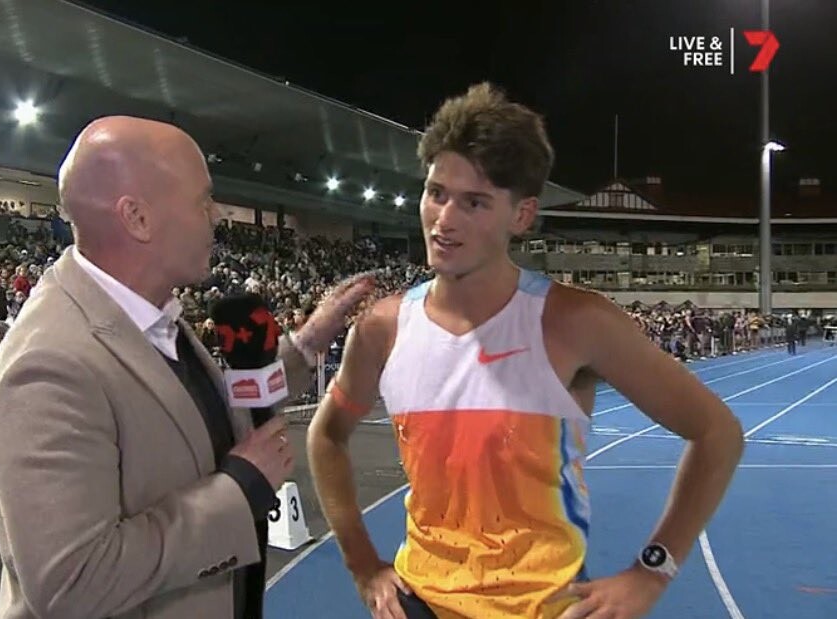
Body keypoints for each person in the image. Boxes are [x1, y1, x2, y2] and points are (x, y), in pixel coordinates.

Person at [306, 83, 744, 619]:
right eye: (436, 193)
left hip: (545, 608)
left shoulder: (574, 322)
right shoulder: (384, 328)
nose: (444, 220)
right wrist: (362, 564)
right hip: (419, 603)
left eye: (474, 202)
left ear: (521, 215)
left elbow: (717, 433)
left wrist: (652, 572)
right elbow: (326, 436)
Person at [0, 115, 375, 619]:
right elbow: (74, 582)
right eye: (202, 201)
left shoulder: (151, 317)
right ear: (137, 218)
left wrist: (308, 342)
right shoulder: (47, 365)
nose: (217, 216)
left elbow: (212, 417)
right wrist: (238, 490)